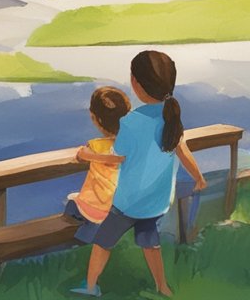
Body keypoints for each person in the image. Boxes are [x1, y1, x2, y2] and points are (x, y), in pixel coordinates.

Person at [72, 51, 206, 298]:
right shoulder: (171, 116)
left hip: (128, 202)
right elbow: (183, 150)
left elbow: (117, 157)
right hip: (155, 201)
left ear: (136, 84)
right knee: (150, 243)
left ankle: (90, 287)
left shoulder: (132, 122)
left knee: (102, 243)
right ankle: (162, 287)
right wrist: (198, 176)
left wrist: (88, 156)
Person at [64, 86, 131, 245]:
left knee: (72, 204)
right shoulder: (131, 145)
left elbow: (81, 155)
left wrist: (88, 154)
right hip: (121, 207)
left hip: (97, 209)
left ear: (95, 118)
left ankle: (78, 241)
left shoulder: (95, 145)